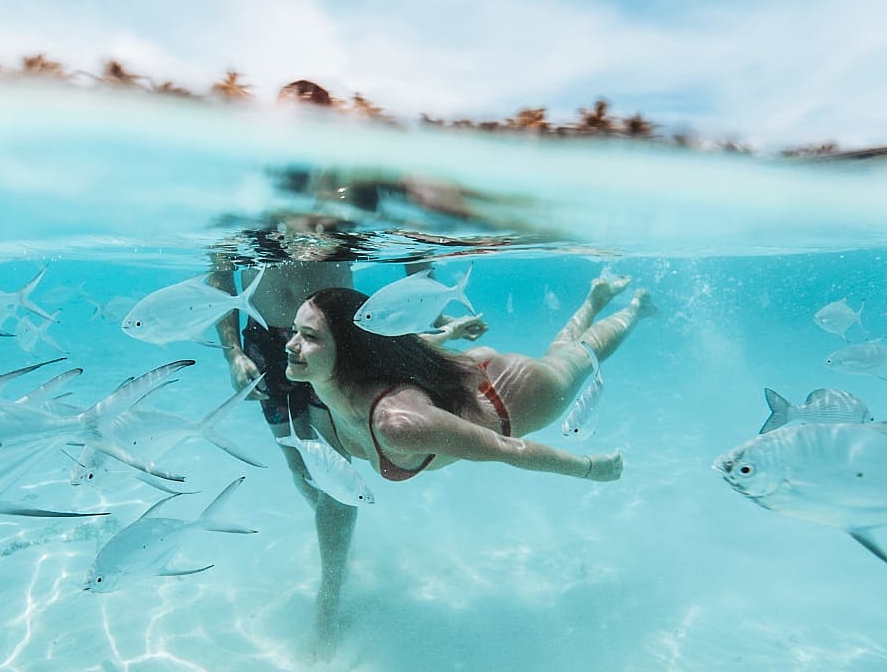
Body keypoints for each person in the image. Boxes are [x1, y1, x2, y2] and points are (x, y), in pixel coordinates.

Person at [208, 217, 486, 660]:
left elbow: (412, 250)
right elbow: (220, 274)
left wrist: (438, 313)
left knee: (336, 477)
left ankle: (329, 598)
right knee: (300, 469)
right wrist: (232, 352)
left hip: (335, 344)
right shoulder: (250, 219)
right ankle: (336, 545)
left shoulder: (338, 216)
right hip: (265, 342)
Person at [284, 276, 657, 486]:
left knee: (581, 356)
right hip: (469, 374)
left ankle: (637, 307)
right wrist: (450, 332)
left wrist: (589, 468)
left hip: (513, 398)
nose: (290, 344)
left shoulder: (396, 424)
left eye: (309, 336)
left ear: (348, 350)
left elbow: (505, 448)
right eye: (295, 331)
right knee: (562, 356)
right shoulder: (336, 385)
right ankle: (595, 297)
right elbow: (391, 349)